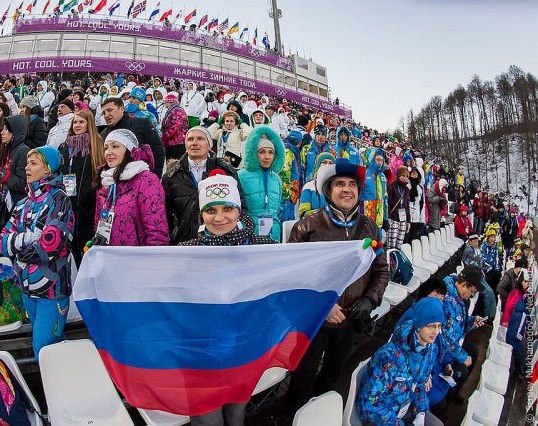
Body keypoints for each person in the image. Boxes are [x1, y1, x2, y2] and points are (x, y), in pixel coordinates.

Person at [280, 159, 390, 422]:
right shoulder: (307, 226)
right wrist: (323, 306)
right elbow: (294, 276)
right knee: (303, 378)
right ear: (328, 190)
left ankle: (316, 418)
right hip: (315, 321)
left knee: (331, 376)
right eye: (339, 184)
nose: (347, 189)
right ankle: (290, 418)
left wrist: (370, 300)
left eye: (352, 184)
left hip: (350, 320)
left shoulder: (370, 227)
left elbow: (381, 271)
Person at [179, 170, 275, 425]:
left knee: (236, 416)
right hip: (201, 358)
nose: (219, 218)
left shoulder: (262, 248)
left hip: (244, 352)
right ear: (202, 214)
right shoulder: (185, 253)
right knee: (208, 421)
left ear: (238, 211)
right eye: (211, 211)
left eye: (227, 209)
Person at [0, 146, 74, 359]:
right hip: (27, 289)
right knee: (53, 344)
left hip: (52, 290)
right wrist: (27, 238)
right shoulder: (23, 203)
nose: (27, 168)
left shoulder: (59, 199)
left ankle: (59, 387)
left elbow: (52, 244)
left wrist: (18, 249)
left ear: (47, 169)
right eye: (27, 163)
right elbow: (2, 242)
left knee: (43, 349)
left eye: (34, 163)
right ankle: (66, 384)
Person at [357, 297, 445, 426]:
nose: (436, 331)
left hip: (404, 406)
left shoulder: (431, 350)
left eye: (439, 326)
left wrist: (421, 413)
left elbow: (420, 385)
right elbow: (370, 406)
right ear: (419, 326)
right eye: (432, 326)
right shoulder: (388, 357)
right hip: (379, 415)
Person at [162, 126, 245, 246]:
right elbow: (164, 214)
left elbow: (241, 206)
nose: (194, 143)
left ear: (209, 145)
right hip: (183, 241)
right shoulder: (171, 176)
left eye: (200, 138)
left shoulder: (227, 171)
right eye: (190, 139)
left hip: (220, 242)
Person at [91, 129, 169, 247]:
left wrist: (153, 260)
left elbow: (156, 230)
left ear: (129, 150)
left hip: (136, 259)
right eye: (106, 148)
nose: (108, 152)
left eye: (115, 146)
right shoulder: (106, 180)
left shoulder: (146, 180)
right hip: (109, 257)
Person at [58, 110, 105, 266]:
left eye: (81, 122)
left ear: (89, 124)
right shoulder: (64, 146)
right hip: (68, 203)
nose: (77, 125)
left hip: (88, 204)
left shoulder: (97, 144)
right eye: (75, 122)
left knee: (87, 248)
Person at [440, 266, 487, 393]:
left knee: (474, 352)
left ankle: (455, 392)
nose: (471, 296)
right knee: (462, 369)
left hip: (455, 339)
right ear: (464, 285)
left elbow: (457, 321)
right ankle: (449, 395)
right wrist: (463, 357)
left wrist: (471, 321)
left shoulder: (458, 297)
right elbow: (446, 340)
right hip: (443, 348)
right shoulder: (449, 302)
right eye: (471, 292)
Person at [0, 115, 31, 235]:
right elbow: (1, 184)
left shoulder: (23, 151)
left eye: (6, 129)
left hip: (18, 210)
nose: (2, 132)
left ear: (15, 132)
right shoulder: (6, 151)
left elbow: (23, 184)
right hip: (5, 207)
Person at [237, 126, 285, 242]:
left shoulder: (277, 178)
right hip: (249, 233)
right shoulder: (241, 176)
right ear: (254, 154)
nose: (267, 157)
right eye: (262, 152)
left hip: (274, 233)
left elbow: (277, 207)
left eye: (271, 152)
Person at [99, 97, 165, 177]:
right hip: (115, 183)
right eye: (103, 113)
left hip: (142, 180)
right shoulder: (103, 135)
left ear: (121, 109)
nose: (106, 115)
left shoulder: (141, 123)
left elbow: (157, 151)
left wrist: (154, 177)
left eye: (110, 110)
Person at [462, 233, 496, 319]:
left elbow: (480, 261)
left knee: (491, 292)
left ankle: (491, 314)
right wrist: (483, 266)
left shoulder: (475, 250)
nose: (476, 243)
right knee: (489, 293)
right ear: (470, 241)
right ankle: (489, 317)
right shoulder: (468, 251)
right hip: (474, 278)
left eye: (477, 242)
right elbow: (477, 262)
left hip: (479, 274)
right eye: (474, 242)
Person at [298, 152, 334, 218]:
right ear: (317, 165)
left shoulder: (337, 187)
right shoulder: (309, 187)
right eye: (324, 162)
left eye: (331, 163)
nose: (328, 165)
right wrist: (325, 214)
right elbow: (303, 213)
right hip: (313, 226)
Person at [360, 149, 388, 232]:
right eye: (377, 160)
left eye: (382, 160)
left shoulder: (382, 176)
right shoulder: (364, 174)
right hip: (366, 215)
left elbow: (385, 198)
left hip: (379, 216)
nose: (380, 163)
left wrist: (385, 217)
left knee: (378, 242)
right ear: (371, 160)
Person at [387, 166, 410, 250]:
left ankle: (396, 261)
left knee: (399, 245)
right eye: (403, 176)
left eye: (407, 176)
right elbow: (388, 202)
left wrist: (408, 221)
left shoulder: (406, 189)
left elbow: (407, 206)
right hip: (393, 218)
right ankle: (390, 261)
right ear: (398, 175)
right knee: (391, 244)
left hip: (403, 219)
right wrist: (388, 217)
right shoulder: (392, 186)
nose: (405, 178)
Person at [160, 92, 188, 161]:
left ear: (170, 102)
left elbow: (174, 127)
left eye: (166, 103)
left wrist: (164, 137)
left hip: (177, 143)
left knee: (174, 165)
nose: (165, 105)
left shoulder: (177, 111)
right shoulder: (171, 111)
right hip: (171, 142)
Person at [407, 167, 426, 243]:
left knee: (413, 238)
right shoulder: (407, 186)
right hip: (406, 216)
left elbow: (422, 204)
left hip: (416, 216)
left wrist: (422, 219)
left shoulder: (420, 188)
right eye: (412, 173)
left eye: (415, 173)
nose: (414, 175)